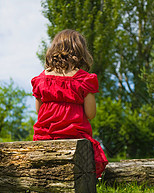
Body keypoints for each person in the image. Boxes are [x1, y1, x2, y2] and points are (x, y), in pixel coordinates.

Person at [31, 29, 108, 178]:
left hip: (45, 136)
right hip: (74, 135)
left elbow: (38, 111)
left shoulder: (41, 79)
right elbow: (91, 114)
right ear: (80, 51)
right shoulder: (83, 79)